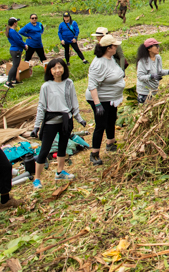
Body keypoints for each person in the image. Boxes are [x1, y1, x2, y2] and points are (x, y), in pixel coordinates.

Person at [31, 58, 87, 188]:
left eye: (60, 67)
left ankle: (60, 171)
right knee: (44, 150)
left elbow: (74, 102)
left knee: (63, 147)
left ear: (64, 69)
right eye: (54, 68)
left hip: (65, 120)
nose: (57, 70)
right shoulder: (46, 86)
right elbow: (41, 107)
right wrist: (36, 126)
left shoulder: (69, 83)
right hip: (51, 121)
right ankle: (37, 179)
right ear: (50, 71)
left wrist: (79, 118)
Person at [85, 35, 125, 165]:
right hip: (100, 99)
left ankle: (110, 143)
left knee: (111, 119)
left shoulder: (110, 58)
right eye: (114, 46)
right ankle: (94, 153)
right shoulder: (98, 64)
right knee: (100, 124)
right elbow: (92, 85)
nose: (117, 47)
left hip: (111, 98)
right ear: (109, 48)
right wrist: (98, 105)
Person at [136, 38, 169, 103]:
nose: (158, 48)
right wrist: (152, 76)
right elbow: (140, 77)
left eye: (158, 46)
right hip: (145, 92)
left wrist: (168, 72)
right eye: (156, 46)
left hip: (154, 90)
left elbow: (159, 71)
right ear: (149, 49)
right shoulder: (142, 61)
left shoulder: (158, 57)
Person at [4, 17, 25, 89]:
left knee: (16, 65)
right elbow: (18, 41)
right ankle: (8, 82)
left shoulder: (11, 31)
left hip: (15, 50)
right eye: (16, 22)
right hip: (16, 50)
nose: (17, 23)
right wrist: (24, 45)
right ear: (14, 23)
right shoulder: (12, 32)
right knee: (15, 66)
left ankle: (14, 80)